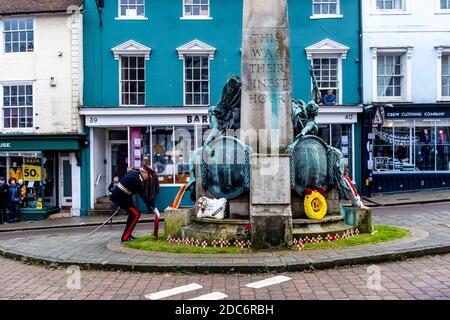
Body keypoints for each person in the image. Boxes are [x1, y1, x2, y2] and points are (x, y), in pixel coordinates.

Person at [110, 165, 155, 242]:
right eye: (148, 176)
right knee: (136, 214)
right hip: (120, 197)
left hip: (124, 196)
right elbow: (142, 194)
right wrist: (152, 206)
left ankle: (128, 235)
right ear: (144, 173)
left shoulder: (134, 174)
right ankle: (125, 237)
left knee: (133, 214)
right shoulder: (136, 179)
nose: (148, 178)